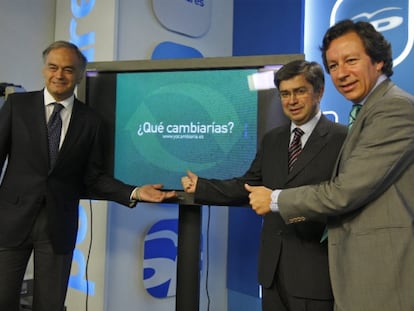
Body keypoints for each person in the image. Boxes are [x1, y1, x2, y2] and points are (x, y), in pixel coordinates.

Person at [246, 20, 414, 311]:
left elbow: (345, 191)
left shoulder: (393, 108)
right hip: (351, 272)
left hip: (380, 273)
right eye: (333, 65)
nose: (341, 73)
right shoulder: (365, 111)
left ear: (378, 61)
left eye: (351, 61)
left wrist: (275, 199)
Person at [0, 40, 176, 311]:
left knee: (50, 305)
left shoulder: (91, 121)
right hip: (10, 221)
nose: (59, 75)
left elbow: (94, 178)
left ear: (80, 75)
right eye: (53, 67)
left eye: (68, 69)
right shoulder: (17, 106)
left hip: (58, 226)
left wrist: (135, 192)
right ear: (44, 70)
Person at [181, 60, 347, 311]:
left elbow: (340, 198)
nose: (291, 100)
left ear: (319, 92)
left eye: (300, 91)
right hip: (272, 274)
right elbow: (248, 186)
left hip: (315, 275)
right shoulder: (272, 139)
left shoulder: (342, 139)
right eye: (284, 94)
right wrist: (201, 187)